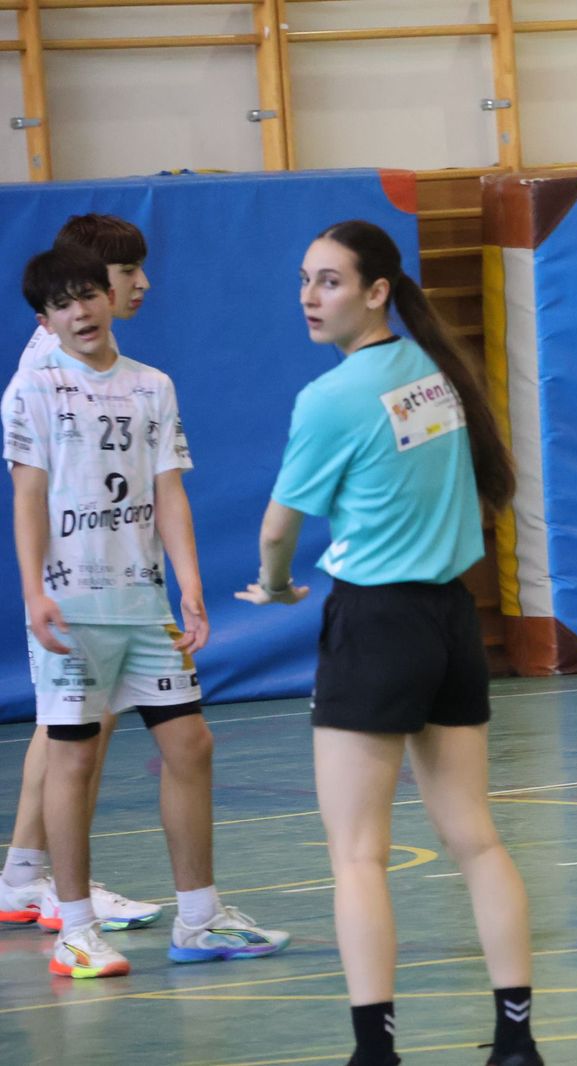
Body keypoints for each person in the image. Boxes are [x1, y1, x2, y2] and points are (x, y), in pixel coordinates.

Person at [237, 220, 540, 1066]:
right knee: (475, 838)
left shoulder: (330, 398)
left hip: (376, 624)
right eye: (304, 279)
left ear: (376, 292)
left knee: (358, 854)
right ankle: (516, 1043)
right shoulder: (435, 373)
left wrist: (273, 585)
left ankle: (376, 1053)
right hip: (451, 623)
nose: (309, 296)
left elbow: (276, 529)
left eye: (329, 281)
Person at [4, 246, 287, 979]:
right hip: (72, 610)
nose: (81, 311)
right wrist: (34, 590)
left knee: (191, 746)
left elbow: (170, 493)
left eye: (89, 294)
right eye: (62, 304)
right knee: (74, 758)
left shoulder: (152, 386)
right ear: (46, 320)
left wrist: (190, 586)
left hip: (144, 605)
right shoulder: (31, 392)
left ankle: (200, 919)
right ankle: (74, 929)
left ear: (109, 295)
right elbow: (28, 496)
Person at [1, 214, 162, 933]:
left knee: (70, 731)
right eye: (129, 274)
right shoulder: (48, 369)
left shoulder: (103, 352)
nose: (142, 285)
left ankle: (26, 875)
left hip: (106, 582)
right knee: (71, 737)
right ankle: (48, 883)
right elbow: (35, 487)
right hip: (77, 586)